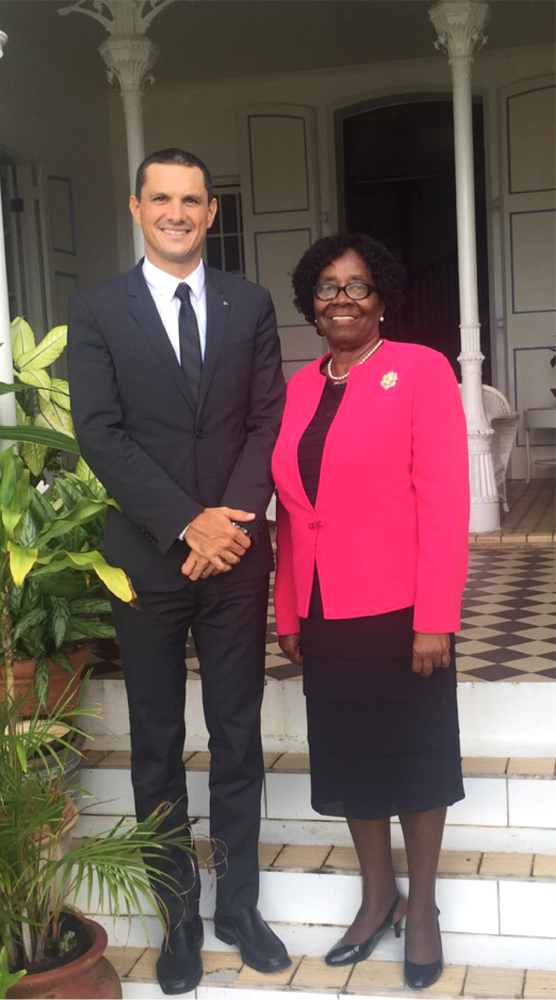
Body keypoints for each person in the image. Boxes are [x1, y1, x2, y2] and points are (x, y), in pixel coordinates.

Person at [68, 148, 288, 995]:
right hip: (147, 559)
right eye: (161, 198)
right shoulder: (97, 308)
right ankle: (180, 917)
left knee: (237, 734)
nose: (176, 212)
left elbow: (265, 419)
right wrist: (186, 522)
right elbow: (100, 431)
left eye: (191, 200)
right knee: (156, 743)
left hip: (234, 558)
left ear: (210, 211)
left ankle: (239, 906)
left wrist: (225, 523)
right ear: (137, 208)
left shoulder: (248, 303)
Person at [272, 234, 469, 990]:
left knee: (415, 753)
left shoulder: (420, 369)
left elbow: (444, 499)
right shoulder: (297, 388)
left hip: (402, 607)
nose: (342, 299)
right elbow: (293, 513)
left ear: (382, 297)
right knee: (351, 756)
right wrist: (289, 609)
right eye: (327, 287)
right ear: (311, 304)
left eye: (358, 285)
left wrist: (436, 614)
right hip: (326, 608)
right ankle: (377, 894)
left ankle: (422, 909)